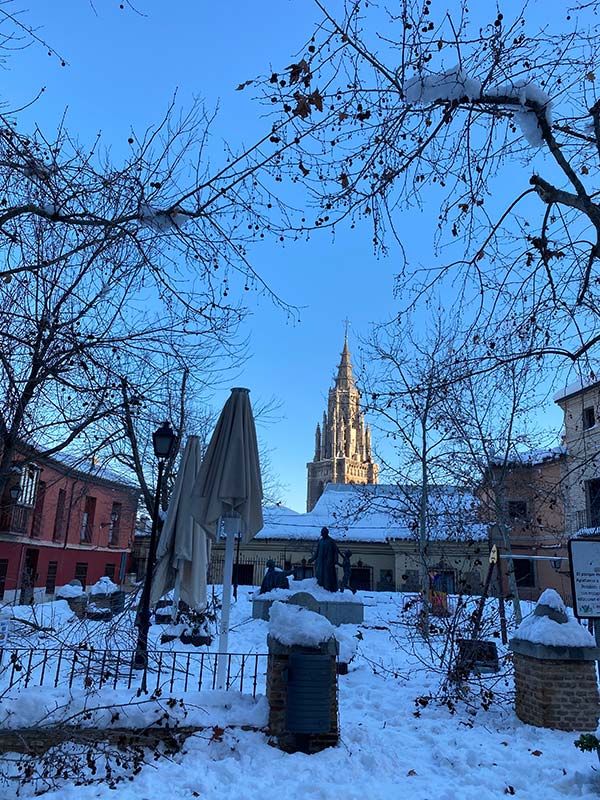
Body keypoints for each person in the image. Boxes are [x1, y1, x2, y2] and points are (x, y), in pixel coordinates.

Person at [309, 527, 339, 592]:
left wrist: (335, 560)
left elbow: (335, 552)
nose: (322, 534)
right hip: (320, 562)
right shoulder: (320, 541)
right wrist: (312, 559)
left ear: (326, 533)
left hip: (328, 562)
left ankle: (327, 589)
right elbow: (317, 552)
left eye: (324, 533)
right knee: (319, 575)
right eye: (322, 533)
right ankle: (320, 589)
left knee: (327, 576)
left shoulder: (331, 541)